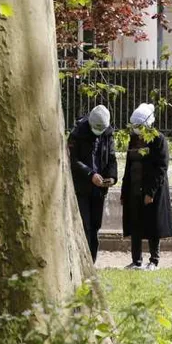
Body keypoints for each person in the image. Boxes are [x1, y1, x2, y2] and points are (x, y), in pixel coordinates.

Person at [121, 103, 172, 270]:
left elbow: (161, 168)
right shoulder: (133, 140)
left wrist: (150, 191)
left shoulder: (158, 140)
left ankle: (154, 260)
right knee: (135, 224)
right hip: (134, 187)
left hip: (152, 190)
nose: (136, 129)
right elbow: (128, 166)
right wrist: (124, 190)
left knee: (152, 225)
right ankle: (136, 260)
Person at [68, 104, 118, 262]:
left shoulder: (107, 134)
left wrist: (112, 177)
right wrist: (90, 174)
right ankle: (82, 260)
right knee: (85, 225)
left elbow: (111, 157)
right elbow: (73, 160)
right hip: (82, 187)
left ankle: (92, 261)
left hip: (99, 188)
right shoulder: (77, 133)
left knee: (95, 226)